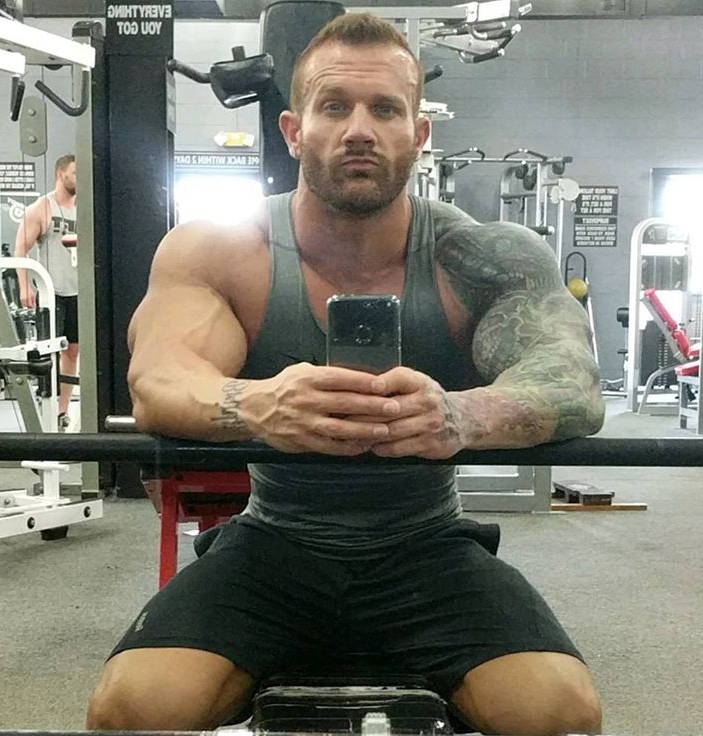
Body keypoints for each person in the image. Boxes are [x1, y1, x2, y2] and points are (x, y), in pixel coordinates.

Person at [87, 14, 605, 736]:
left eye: (385, 108)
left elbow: (571, 378)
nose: (359, 129)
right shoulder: (219, 250)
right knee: (133, 710)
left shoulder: (485, 255)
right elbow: (159, 380)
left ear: (418, 136)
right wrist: (257, 405)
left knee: (559, 715)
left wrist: (460, 416)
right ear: (295, 132)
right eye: (335, 107)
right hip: (274, 546)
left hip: (427, 548)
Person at [14, 154, 79, 429]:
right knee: (49, 354)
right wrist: (24, 285)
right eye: (75, 173)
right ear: (60, 174)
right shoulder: (42, 207)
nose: (79, 178)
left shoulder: (85, 208)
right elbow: (20, 249)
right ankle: (46, 406)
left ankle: (61, 411)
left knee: (72, 352)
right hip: (51, 293)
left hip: (79, 292)